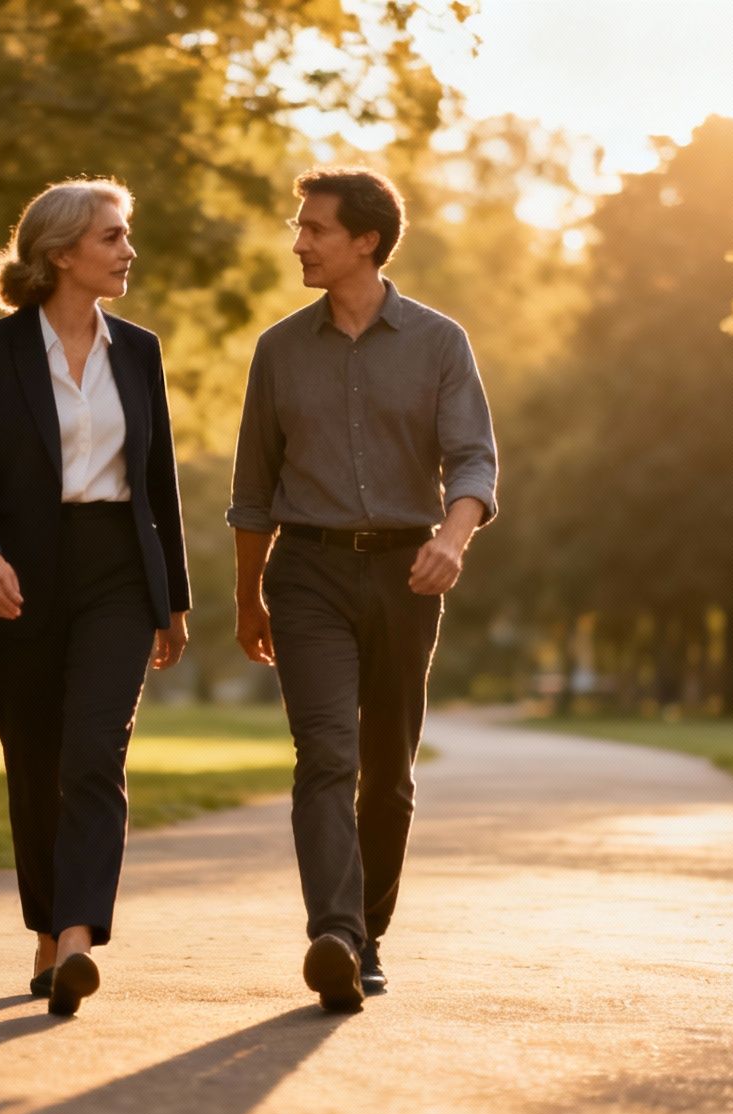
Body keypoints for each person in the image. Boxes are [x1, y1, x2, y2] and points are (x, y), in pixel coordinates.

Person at [228, 167, 497, 1012]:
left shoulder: (439, 342)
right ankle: (334, 935)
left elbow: (475, 460)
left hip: (405, 571)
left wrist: (451, 541)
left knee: (387, 772)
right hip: (304, 571)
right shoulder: (277, 350)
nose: (299, 241)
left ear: (366, 241)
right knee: (325, 757)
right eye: (299, 227)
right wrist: (248, 597)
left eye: (314, 229)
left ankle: (366, 937)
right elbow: (251, 490)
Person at [0, 179, 190, 1017]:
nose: (128, 251)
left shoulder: (140, 351)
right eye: (112, 237)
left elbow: (158, 481)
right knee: (35, 759)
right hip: (21, 571)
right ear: (61, 254)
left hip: (117, 566)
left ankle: (78, 937)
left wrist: (173, 598)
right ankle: (46, 933)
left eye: (126, 235)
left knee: (94, 751)